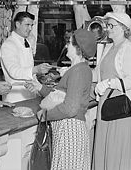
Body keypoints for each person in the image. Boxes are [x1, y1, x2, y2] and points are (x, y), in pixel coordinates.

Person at [28, 28, 97, 170]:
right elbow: (59, 97)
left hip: (70, 130)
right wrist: (39, 87)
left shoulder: (78, 71)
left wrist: (45, 114)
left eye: (69, 43)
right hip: (67, 129)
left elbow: (70, 108)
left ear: (78, 48)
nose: (66, 46)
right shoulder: (78, 69)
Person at [92, 12, 131, 170]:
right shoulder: (107, 47)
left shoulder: (129, 48)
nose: (108, 28)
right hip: (106, 102)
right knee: (105, 145)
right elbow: (98, 73)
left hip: (120, 105)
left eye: (111, 25)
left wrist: (109, 83)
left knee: (117, 147)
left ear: (123, 28)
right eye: (108, 25)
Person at [0, 11, 52, 103]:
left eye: (31, 25)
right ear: (17, 24)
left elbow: (28, 67)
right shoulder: (8, 45)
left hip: (30, 94)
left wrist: (38, 87)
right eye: (27, 25)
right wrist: (35, 69)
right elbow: (13, 71)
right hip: (16, 97)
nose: (30, 28)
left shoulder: (26, 42)